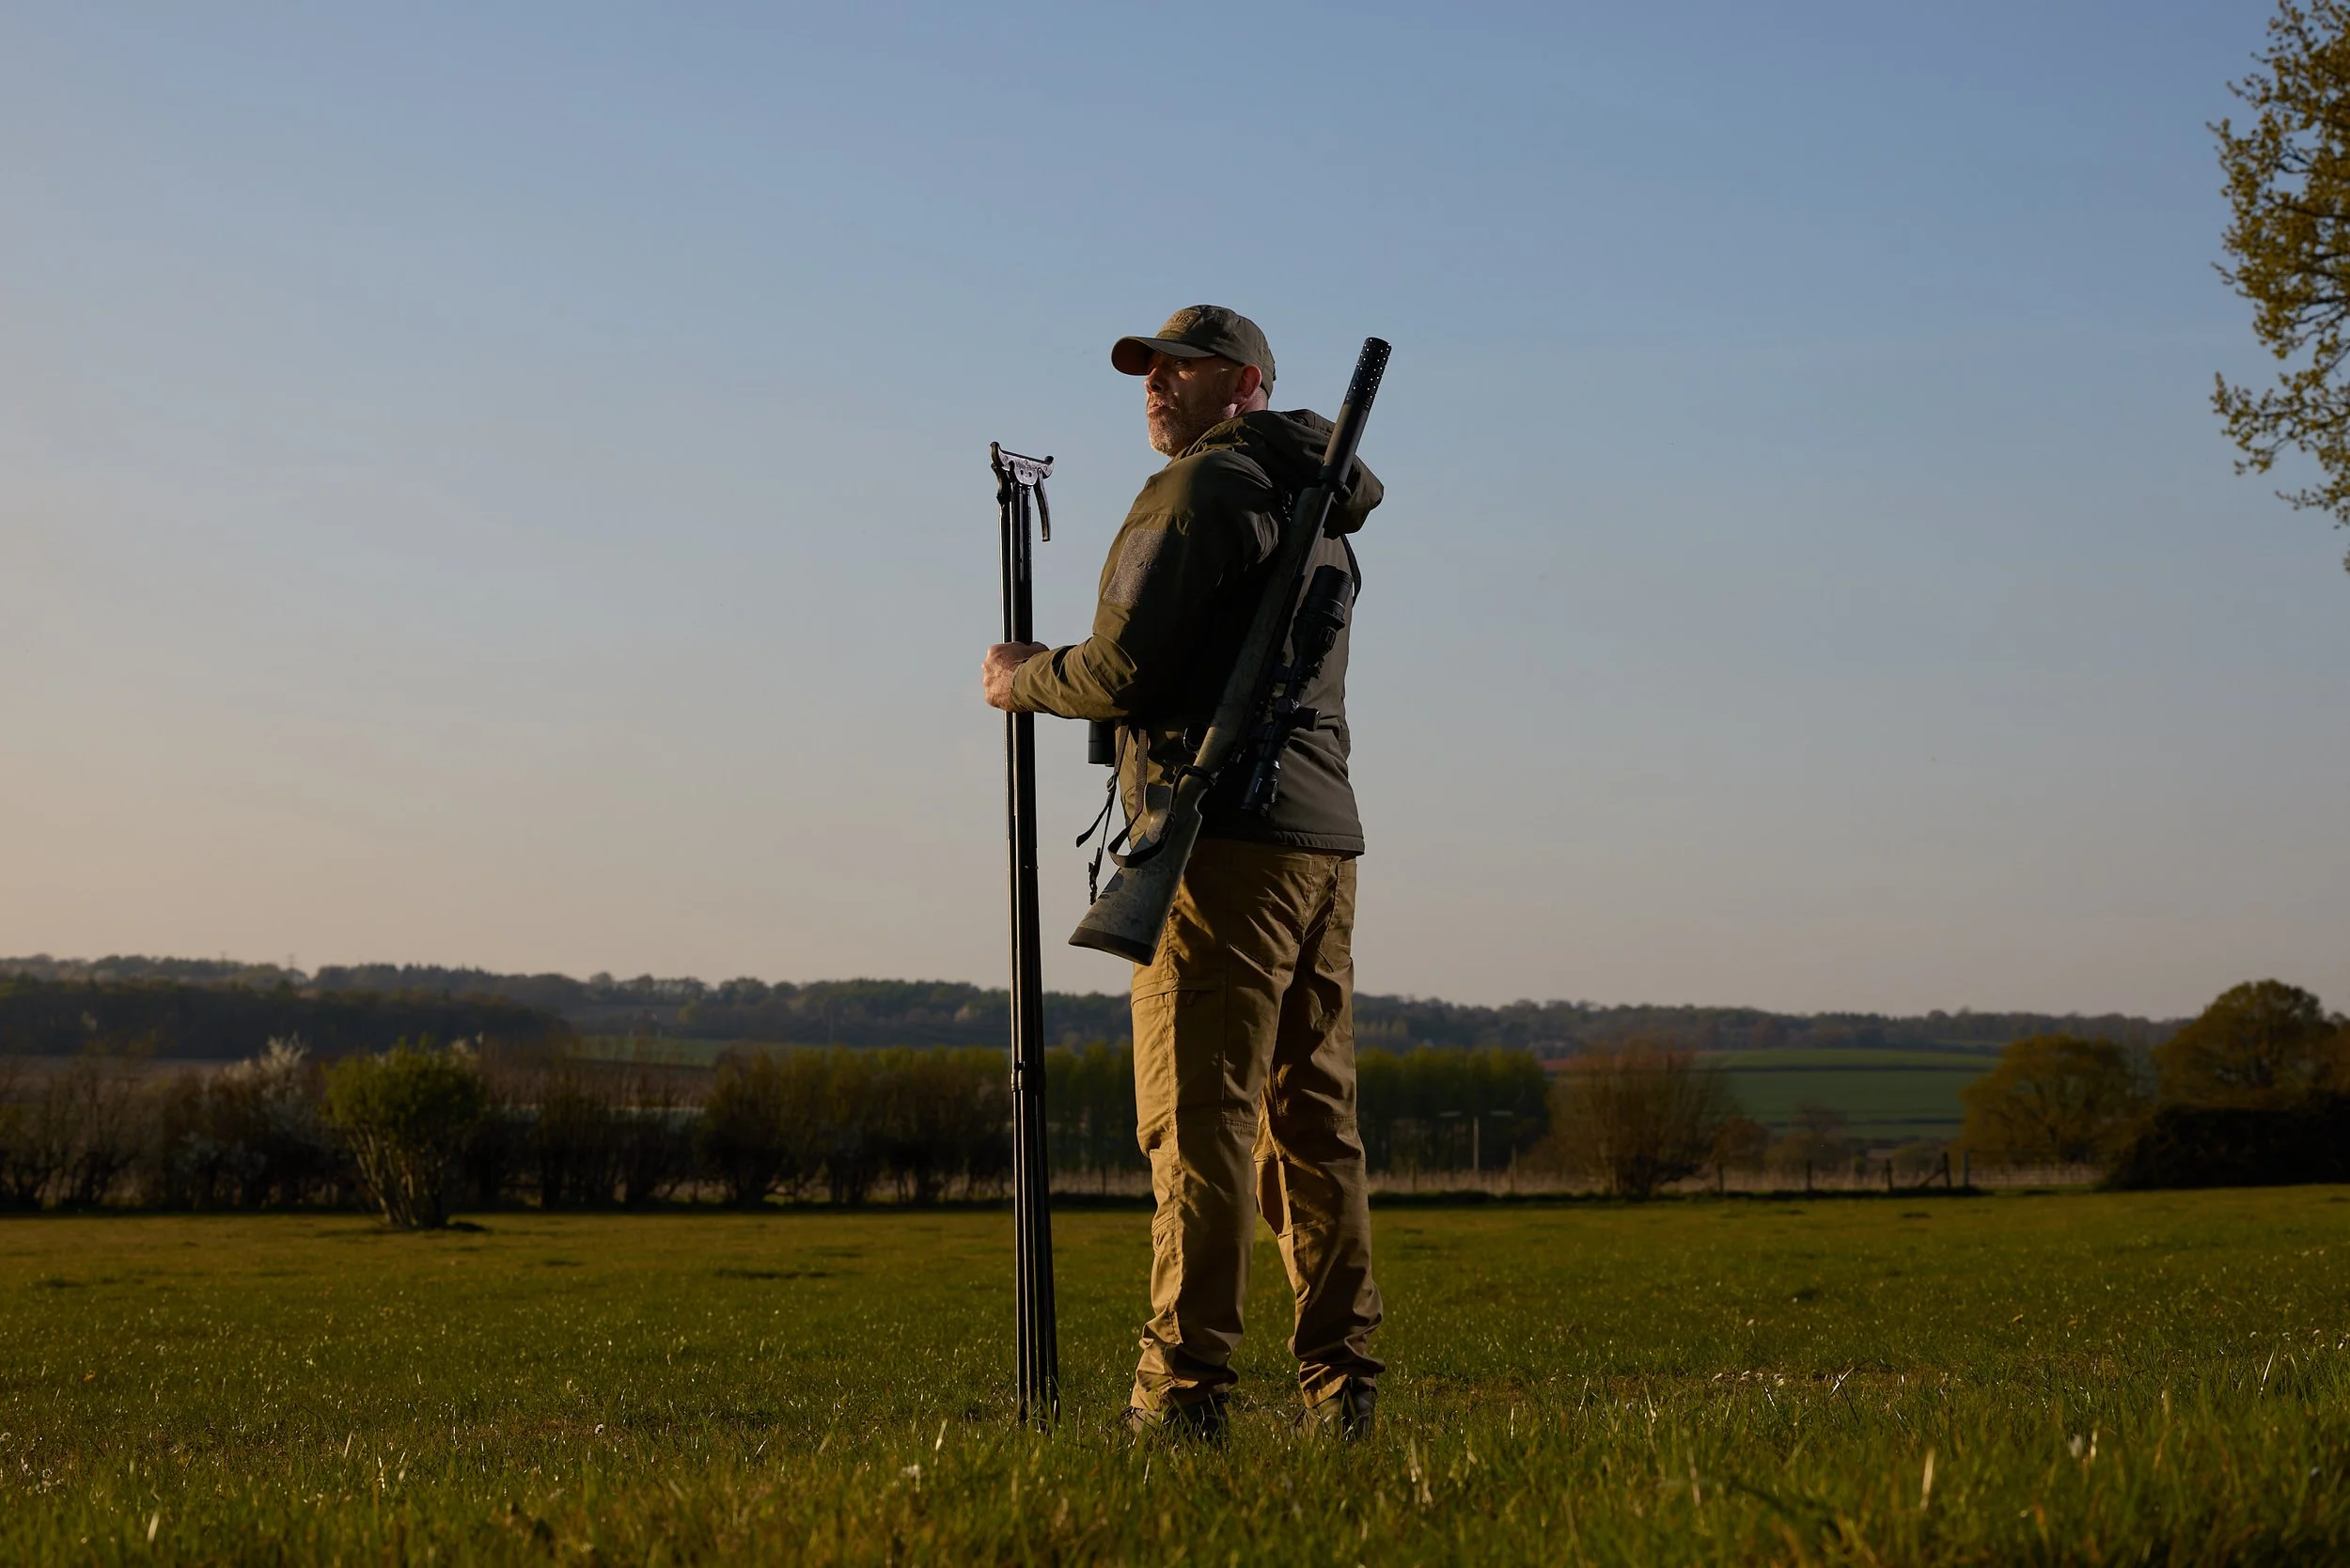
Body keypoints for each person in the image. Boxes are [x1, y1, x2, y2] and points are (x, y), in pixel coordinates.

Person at [979, 306, 1385, 1441]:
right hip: (1321, 846)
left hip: (1221, 846)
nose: (1155, 385)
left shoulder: (1203, 492)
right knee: (1315, 1127)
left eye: (1183, 369)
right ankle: (1342, 1387)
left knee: (1198, 1126)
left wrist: (1023, 676)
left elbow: (1120, 668)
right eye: (1147, 370)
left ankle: (1182, 1396)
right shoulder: (1318, 504)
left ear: (1244, 386)